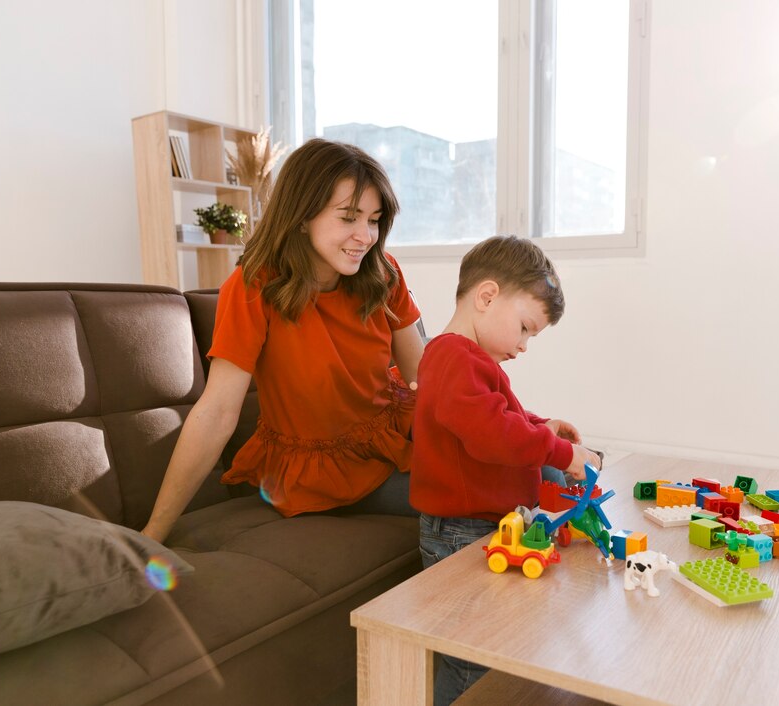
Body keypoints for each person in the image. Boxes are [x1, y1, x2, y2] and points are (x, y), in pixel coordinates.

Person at [141, 138, 424, 542]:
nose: (366, 236)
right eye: (348, 218)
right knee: (481, 494)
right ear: (302, 215)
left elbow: (426, 380)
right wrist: (153, 531)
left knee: (531, 470)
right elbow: (217, 412)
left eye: (374, 220)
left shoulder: (383, 271)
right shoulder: (252, 286)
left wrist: (518, 428)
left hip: (388, 437)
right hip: (318, 472)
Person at [408, 235, 602, 705]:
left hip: (483, 524)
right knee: (471, 653)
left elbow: (503, 415)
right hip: (460, 530)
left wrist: (543, 425)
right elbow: (492, 433)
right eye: (524, 328)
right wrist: (560, 453)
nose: (523, 346)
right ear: (487, 296)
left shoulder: (466, 359)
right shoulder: (453, 356)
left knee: (494, 641)